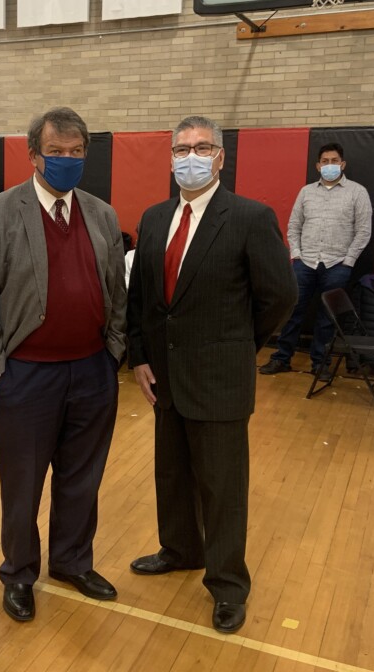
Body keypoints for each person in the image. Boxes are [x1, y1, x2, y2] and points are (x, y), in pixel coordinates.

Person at [127, 116, 296, 635]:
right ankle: (179, 549)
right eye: (181, 149)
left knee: (223, 487)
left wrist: (240, 346)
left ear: (220, 157)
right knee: (172, 473)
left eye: (201, 147)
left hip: (220, 377)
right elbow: (142, 300)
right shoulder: (155, 218)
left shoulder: (249, 216)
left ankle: (227, 584)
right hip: (165, 376)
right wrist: (139, 355)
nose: (190, 156)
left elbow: (280, 296)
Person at [0, 106, 127, 623]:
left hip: (93, 371)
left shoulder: (102, 214)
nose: (67, 161)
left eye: (77, 153)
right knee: (23, 482)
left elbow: (117, 294)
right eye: (57, 152)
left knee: (82, 477)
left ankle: (73, 561)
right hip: (27, 373)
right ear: (34, 155)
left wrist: (114, 351)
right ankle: (19, 572)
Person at [258, 143, 372, 381]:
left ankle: (320, 364)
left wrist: (348, 261)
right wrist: (296, 254)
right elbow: (294, 225)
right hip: (305, 262)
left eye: (335, 160)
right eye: (325, 161)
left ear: (343, 164)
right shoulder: (306, 192)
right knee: (292, 311)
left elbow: (363, 231)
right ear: (318, 165)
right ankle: (282, 358)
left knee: (327, 317)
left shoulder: (357, 192)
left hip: (337, 264)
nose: (330, 165)